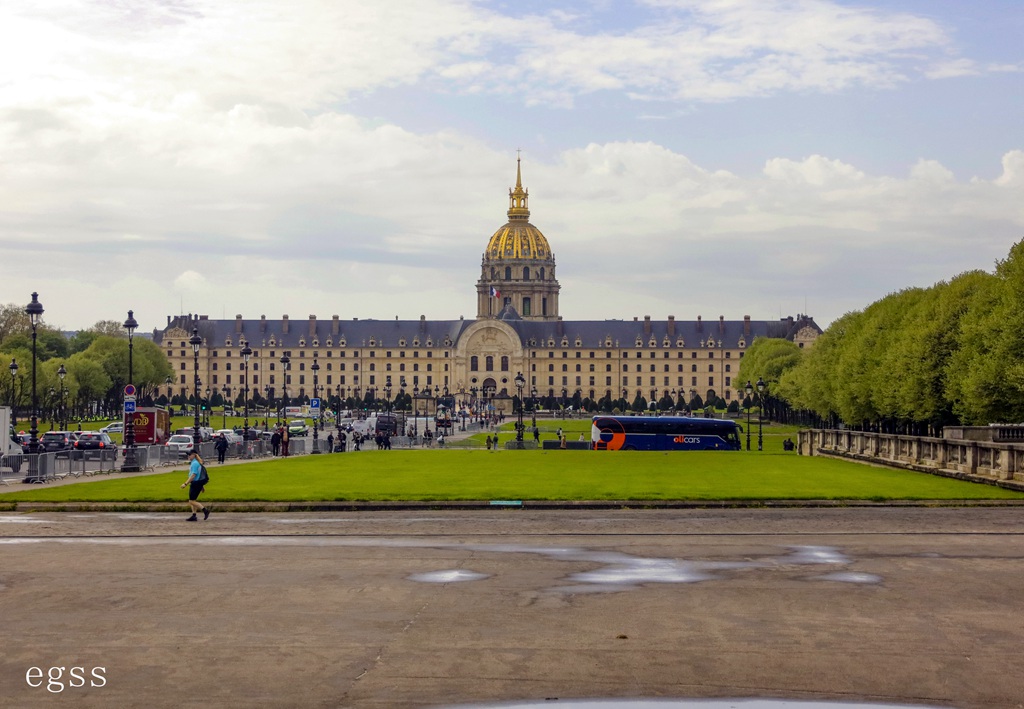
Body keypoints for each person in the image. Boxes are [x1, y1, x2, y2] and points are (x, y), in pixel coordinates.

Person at [180, 451, 210, 521]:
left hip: (195, 483)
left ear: (193, 455)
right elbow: (199, 475)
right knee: (193, 500)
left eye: (189, 455)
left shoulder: (195, 463)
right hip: (197, 483)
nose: (188, 456)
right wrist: (202, 486)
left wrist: (185, 484)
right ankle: (194, 515)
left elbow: (193, 475)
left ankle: (205, 510)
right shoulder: (196, 463)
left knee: (191, 501)